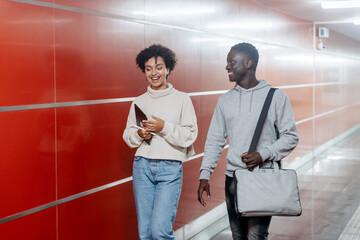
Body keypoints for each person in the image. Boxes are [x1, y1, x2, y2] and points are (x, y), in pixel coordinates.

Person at [197, 42, 299, 240]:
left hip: (263, 177)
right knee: (238, 237)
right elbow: (214, 140)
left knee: (256, 236)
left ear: (248, 63)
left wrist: (264, 154)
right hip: (233, 179)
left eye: (231, 62)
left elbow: (291, 136)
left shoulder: (276, 97)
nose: (227, 66)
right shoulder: (225, 100)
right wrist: (204, 175)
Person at [123, 44, 198, 240]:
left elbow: (189, 135)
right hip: (142, 167)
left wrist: (163, 127)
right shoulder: (139, 101)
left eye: (158, 67)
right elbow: (128, 135)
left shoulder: (182, 99)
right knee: (145, 233)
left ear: (168, 69)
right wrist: (141, 134)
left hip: (170, 168)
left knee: (159, 231)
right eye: (148, 68)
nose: (153, 73)